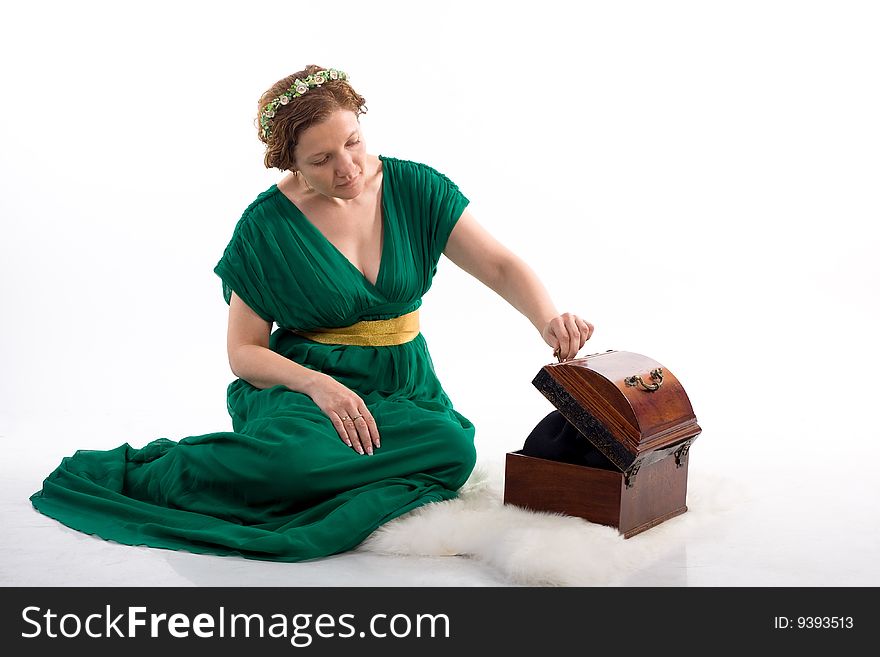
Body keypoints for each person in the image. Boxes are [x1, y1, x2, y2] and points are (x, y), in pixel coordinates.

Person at [30, 65, 594, 562]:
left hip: (402, 383)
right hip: (302, 384)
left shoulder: (415, 187)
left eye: (353, 142)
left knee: (453, 447)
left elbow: (497, 264)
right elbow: (243, 353)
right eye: (321, 160)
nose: (348, 167)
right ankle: (178, 471)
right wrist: (319, 387)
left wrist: (545, 318)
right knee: (291, 464)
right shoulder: (266, 227)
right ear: (290, 163)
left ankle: (339, 478)